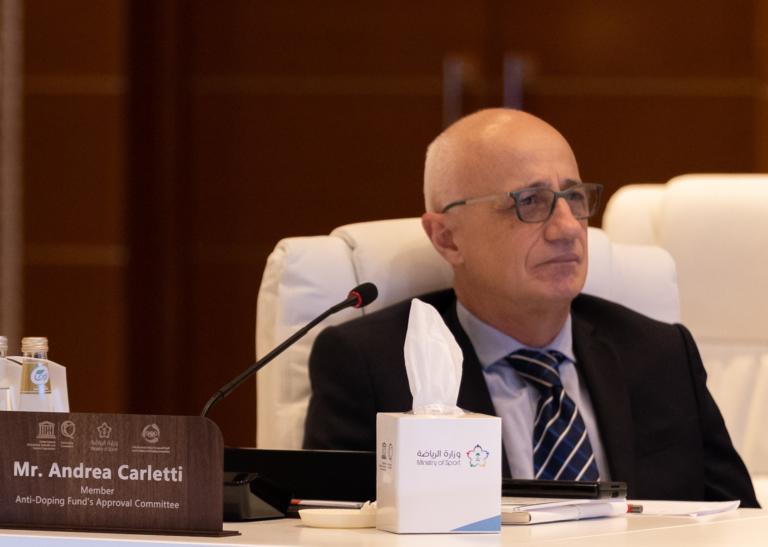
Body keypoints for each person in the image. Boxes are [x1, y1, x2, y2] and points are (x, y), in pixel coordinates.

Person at [303, 108, 759, 506]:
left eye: (574, 198)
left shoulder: (660, 354)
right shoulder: (371, 366)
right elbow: (334, 532)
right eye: (530, 202)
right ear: (447, 237)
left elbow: (741, 522)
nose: (568, 228)